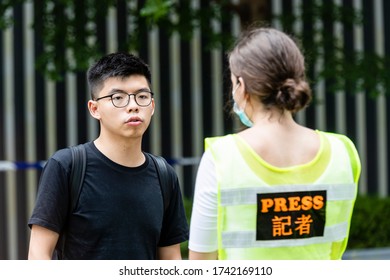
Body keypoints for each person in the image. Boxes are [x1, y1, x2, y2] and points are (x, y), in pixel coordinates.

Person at [188, 26, 361, 260]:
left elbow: (201, 264)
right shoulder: (343, 153)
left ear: (242, 86)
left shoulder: (222, 158)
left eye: (232, 83)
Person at [28, 52, 189, 260]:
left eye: (142, 96)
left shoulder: (164, 175)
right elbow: (38, 254)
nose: (133, 105)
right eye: (118, 97)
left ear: (152, 106)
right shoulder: (67, 166)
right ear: (94, 109)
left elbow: (171, 261)